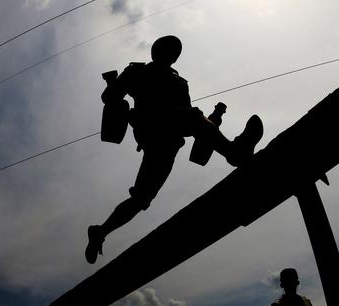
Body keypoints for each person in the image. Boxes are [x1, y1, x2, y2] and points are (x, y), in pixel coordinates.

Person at [85, 35, 263, 264]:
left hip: (168, 142)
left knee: (141, 198)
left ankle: (101, 232)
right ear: (155, 50)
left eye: (173, 51)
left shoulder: (179, 83)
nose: (169, 54)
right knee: (194, 118)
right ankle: (233, 152)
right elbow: (109, 97)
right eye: (166, 49)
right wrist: (114, 89)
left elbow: (188, 114)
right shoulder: (137, 71)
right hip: (151, 128)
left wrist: (205, 126)